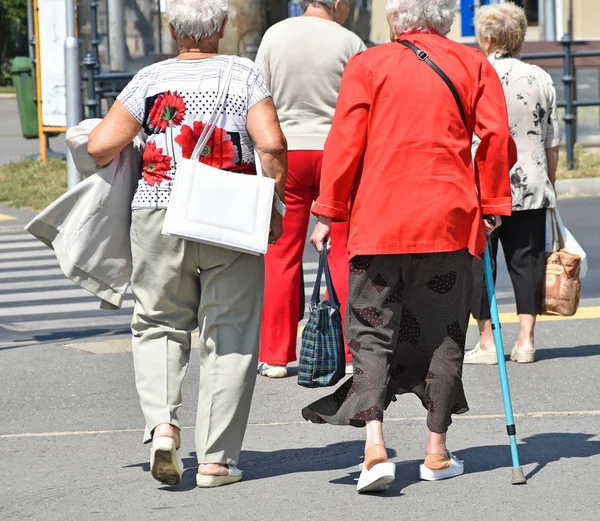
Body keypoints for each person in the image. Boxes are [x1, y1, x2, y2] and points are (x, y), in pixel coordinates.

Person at [302, 0, 516, 493]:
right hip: (449, 218)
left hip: (379, 218)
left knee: (373, 329)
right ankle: (436, 452)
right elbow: (496, 134)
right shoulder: (472, 64)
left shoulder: (368, 65)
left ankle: (374, 446)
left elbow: (346, 142)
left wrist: (328, 211)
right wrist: (491, 203)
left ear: (395, 20)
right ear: (446, 19)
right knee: (443, 332)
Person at [87, 0, 287, 488]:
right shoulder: (242, 74)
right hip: (230, 214)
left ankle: (163, 428)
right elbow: (272, 144)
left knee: (157, 323)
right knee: (231, 332)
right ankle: (216, 461)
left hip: (157, 211)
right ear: (220, 27)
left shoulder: (149, 80)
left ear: (173, 28)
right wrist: (273, 205)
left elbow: (100, 146)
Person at [254, 0, 366, 378]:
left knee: (281, 253)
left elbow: (258, 97)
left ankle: (275, 353)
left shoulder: (274, 36)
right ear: (336, 3)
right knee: (344, 251)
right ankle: (351, 350)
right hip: (337, 152)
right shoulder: (349, 42)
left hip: (287, 149)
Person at [465, 3, 560, 366]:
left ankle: (487, 341)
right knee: (528, 261)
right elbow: (551, 139)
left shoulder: (475, 73)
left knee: (479, 263)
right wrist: (550, 183)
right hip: (532, 182)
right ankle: (526, 340)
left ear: (487, 38)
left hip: (484, 185)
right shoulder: (540, 77)